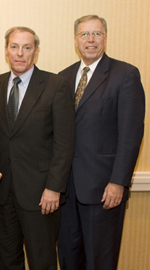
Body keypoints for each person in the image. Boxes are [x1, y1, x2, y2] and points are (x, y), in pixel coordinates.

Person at [57, 15, 145, 270]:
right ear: (76, 40)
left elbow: (131, 134)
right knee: (69, 259)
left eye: (97, 33)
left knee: (100, 261)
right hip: (66, 190)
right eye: (85, 34)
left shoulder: (125, 74)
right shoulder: (63, 77)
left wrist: (118, 182)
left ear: (105, 37)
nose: (91, 39)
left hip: (103, 190)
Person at [0, 26, 75, 270]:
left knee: (42, 261)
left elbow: (64, 142)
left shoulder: (55, 85)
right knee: (7, 260)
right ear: (6, 50)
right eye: (14, 47)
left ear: (35, 52)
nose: (20, 53)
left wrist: (54, 188)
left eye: (27, 48)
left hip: (41, 196)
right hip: (3, 193)